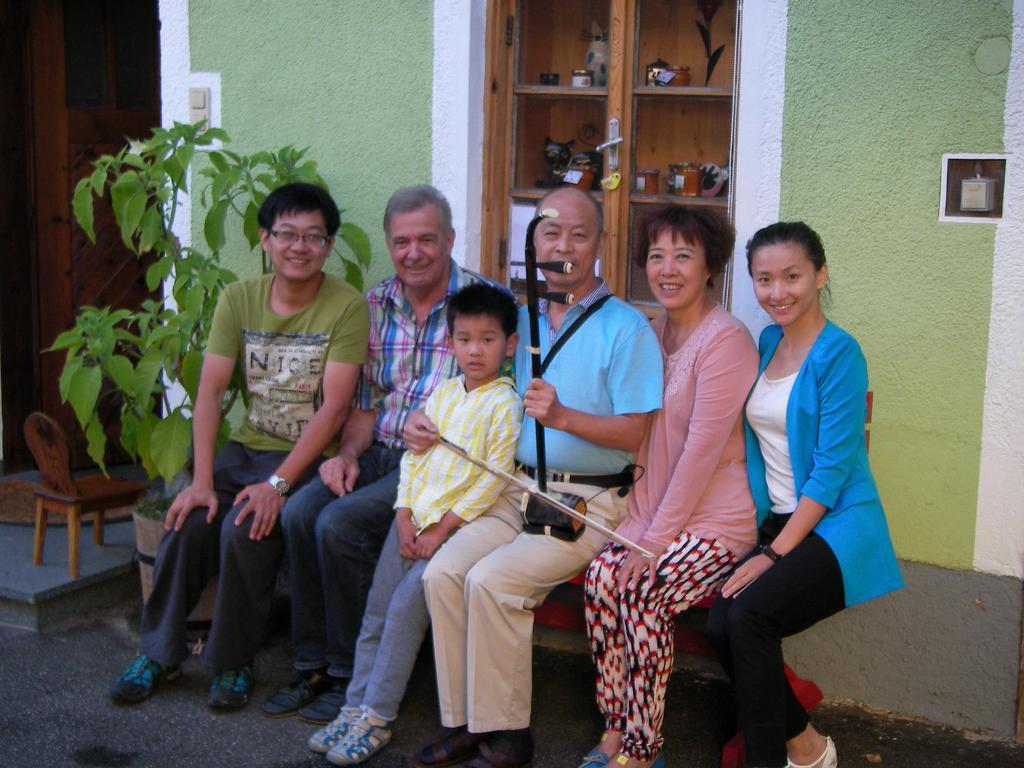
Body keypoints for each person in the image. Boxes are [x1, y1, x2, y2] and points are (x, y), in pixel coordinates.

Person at [410, 186, 663, 768]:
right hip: (517, 489)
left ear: (600, 244)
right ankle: (467, 722)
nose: (563, 245)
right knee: (446, 572)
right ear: (535, 242)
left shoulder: (625, 328)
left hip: (588, 500)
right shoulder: (519, 318)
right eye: (550, 233)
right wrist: (427, 421)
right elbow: (475, 384)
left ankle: (508, 736)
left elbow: (635, 433)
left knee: (493, 581)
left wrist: (564, 416)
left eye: (578, 234)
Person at [109, 182, 369, 709]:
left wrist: (278, 486)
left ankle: (231, 663)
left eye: (314, 237)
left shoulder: (346, 305)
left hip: (306, 460)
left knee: (244, 528)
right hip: (244, 451)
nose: (300, 247)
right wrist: (201, 481)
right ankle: (158, 653)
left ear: (329, 245)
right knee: (187, 522)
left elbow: (335, 408)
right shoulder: (239, 297)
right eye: (287, 234)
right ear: (265, 239)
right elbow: (208, 392)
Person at [264, 185, 497, 725]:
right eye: (402, 242)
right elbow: (366, 405)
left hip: (435, 471)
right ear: (391, 245)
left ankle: (347, 670)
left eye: (426, 240)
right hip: (377, 451)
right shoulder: (374, 303)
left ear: (450, 239)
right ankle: (311, 663)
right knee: (299, 511)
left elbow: (491, 407)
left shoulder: (482, 305)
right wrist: (345, 455)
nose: (413, 252)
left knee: (338, 524)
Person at [704, 222, 903, 768]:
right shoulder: (768, 341)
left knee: (749, 619)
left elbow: (831, 470)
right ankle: (809, 748)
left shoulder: (840, 354)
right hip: (781, 520)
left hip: (834, 525)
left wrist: (773, 553)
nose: (777, 292)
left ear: (819, 274)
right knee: (721, 620)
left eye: (791, 276)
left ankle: (774, 760)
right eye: (764, 279)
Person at [306, 282, 523, 765]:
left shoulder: (505, 405)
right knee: (376, 612)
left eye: (488, 339)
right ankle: (354, 706)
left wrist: (440, 529)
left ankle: (378, 718)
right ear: (450, 343)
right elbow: (414, 462)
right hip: (411, 522)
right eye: (464, 338)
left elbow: (492, 482)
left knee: (405, 611)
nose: (474, 350)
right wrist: (403, 516)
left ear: (509, 345)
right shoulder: (443, 395)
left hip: (454, 530)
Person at [579, 205, 758, 768]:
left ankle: (643, 747)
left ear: (711, 266)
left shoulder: (725, 341)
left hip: (716, 521)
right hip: (656, 510)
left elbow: (700, 454)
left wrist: (652, 541)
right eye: (657, 255)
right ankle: (614, 726)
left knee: (644, 590)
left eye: (684, 255)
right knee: (601, 581)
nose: (668, 268)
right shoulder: (648, 332)